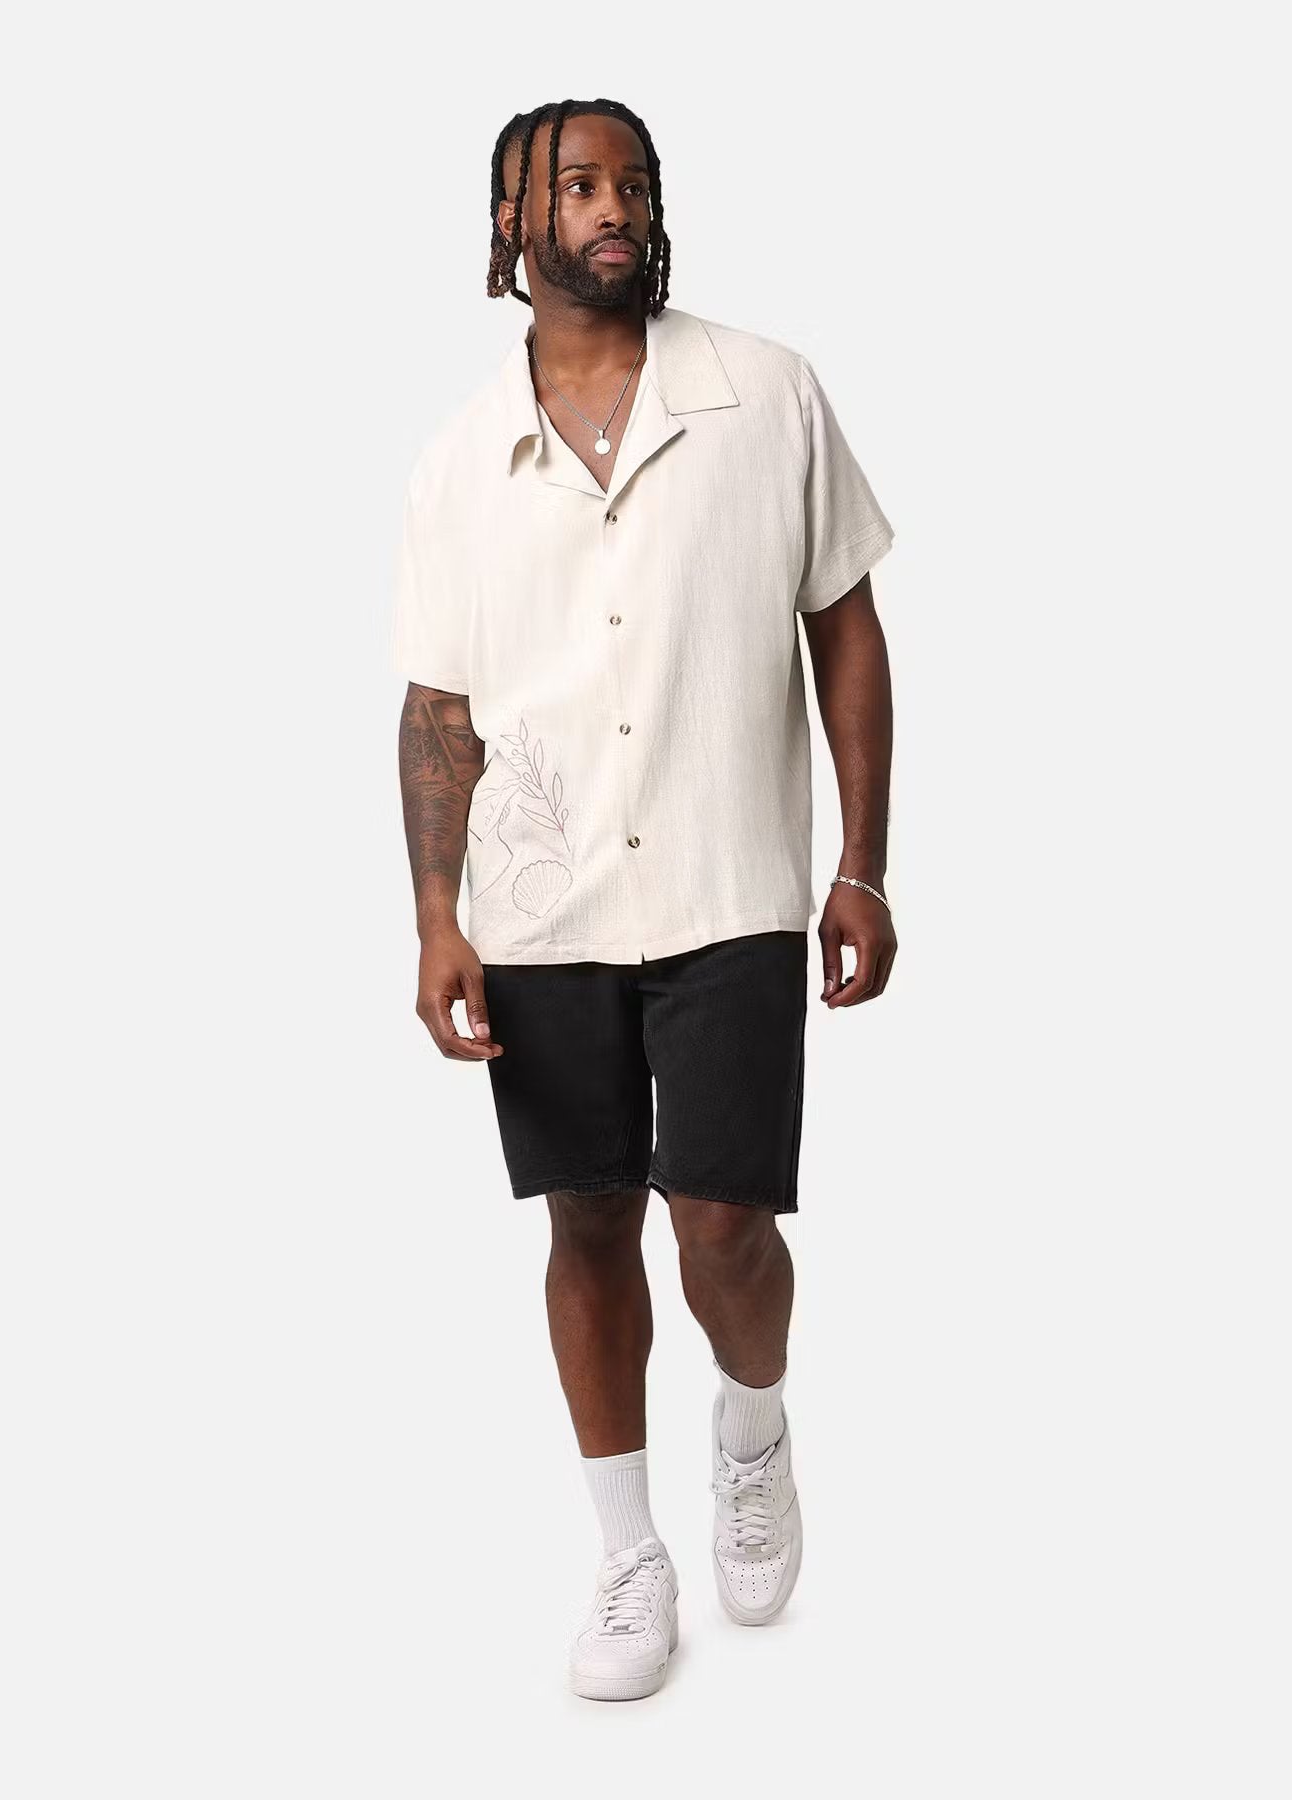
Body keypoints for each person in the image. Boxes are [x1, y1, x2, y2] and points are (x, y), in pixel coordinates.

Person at [393, 97, 897, 1701]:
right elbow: (438, 710)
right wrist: (437, 919)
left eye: (635, 183)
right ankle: (627, 1553)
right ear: (510, 227)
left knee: (724, 1224)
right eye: (578, 185)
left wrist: (863, 862)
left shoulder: (768, 392)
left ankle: (752, 1428)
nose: (614, 206)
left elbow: (845, 626)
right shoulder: (461, 463)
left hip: (729, 880)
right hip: (541, 908)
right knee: (589, 1218)